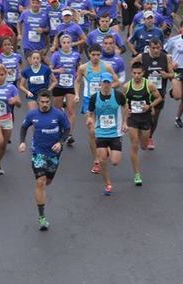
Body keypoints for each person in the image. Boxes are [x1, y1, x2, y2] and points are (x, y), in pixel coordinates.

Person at [18, 90, 71, 231]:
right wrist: (22, 142)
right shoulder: (32, 114)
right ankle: (42, 217)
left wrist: (61, 142)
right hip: (38, 153)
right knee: (40, 181)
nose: (45, 104)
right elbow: (23, 127)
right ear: (38, 102)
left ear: (51, 102)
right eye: (42, 102)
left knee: (48, 181)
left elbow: (67, 129)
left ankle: (40, 191)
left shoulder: (59, 114)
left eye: (47, 102)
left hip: (54, 154)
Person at [76, 45, 119, 174]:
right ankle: (96, 160)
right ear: (89, 54)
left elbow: (117, 82)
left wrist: (107, 89)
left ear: (101, 55)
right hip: (89, 100)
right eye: (93, 54)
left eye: (98, 55)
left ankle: (106, 146)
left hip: (103, 100)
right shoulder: (83, 68)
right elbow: (77, 81)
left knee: (103, 128)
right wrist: (77, 94)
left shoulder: (106, 67)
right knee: (92, 131)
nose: (95, 57)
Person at [123, 62, 163, 185]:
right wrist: (124, 121)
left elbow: (159, 98)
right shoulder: (126, 86)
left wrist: (149, 106)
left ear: (143, 73)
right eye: (134, 73)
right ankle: (137, 174)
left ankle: (143, 139)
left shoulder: (149, 85)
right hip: (133, 119)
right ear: (131, 73)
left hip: (145, 118)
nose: (136, 76)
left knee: (144, 146)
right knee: (134, 144)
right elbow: (124, 104)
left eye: (139, 73)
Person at [87, 74, 126, 196]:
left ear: (111, 83)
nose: (106, 85)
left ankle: (109, 150)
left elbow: (126, 107)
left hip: (115, 133)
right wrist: (91, 122)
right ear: (100, 84)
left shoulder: (118, 95)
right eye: (104, 82)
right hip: (101, 132)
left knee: (115, 162)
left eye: (108, 82)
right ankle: (107, 183)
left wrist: (125, 122)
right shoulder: (94, 97)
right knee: (102, 159)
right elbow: (91, 112)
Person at [132, 38, 174, 149]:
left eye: (158, 48)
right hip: (144, 92)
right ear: (149, 48)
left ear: (161, 48)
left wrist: (166, 75)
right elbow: (133, 67)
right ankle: (143, 134)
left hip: (159, 92)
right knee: (144, 114)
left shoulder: (166, 58)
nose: (156, 50)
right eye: (153, 48)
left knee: (155, 117)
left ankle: (149, 136)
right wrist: (138, 78)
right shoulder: (142, 57)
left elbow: (172, 74)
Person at [50, 34, 80, 145]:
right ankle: (58, 130)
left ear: (71, 43)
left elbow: (79, 67)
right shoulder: (56, 55)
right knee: (57, 110)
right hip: (58, 86)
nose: (66, 45)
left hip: (70, 86)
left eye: (68, 42)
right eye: (64, 43)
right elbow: (50, 70)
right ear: (61, 44)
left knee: (71, 110)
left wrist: (78, 74)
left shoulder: (76, 55)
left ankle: (69, 134)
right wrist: (58, 71)